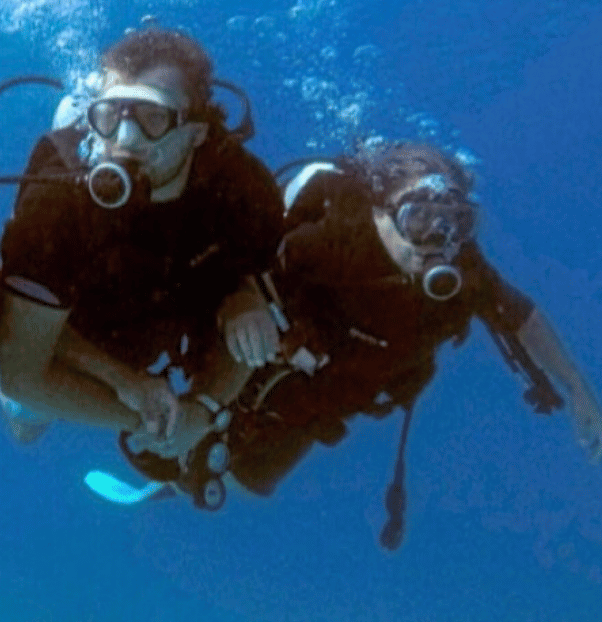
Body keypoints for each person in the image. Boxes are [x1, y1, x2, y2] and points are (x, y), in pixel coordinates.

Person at [220, 140, 602, 546]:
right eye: (416, 217)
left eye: (454, 221)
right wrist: (245, 304)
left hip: (330, 397)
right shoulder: (333, 236)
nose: (436, 240)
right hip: (263, 365)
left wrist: (577, 387)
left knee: (246, 486)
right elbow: (246, 262)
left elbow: (522, 317)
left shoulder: (463, 266)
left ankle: (199, 474)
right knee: (202, 450)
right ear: (380, 211)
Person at [0, 26, 285, 493]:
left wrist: (203, 406)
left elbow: (254, 331)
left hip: (181, 299)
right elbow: (23, 374)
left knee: (257, 327)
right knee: (25, 418)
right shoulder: (56, 200)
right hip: (74, 323)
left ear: (195, 132)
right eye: (109, 115)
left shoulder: (243, 191)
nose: (126, 140)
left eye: (152, 118)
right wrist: (138, 403)